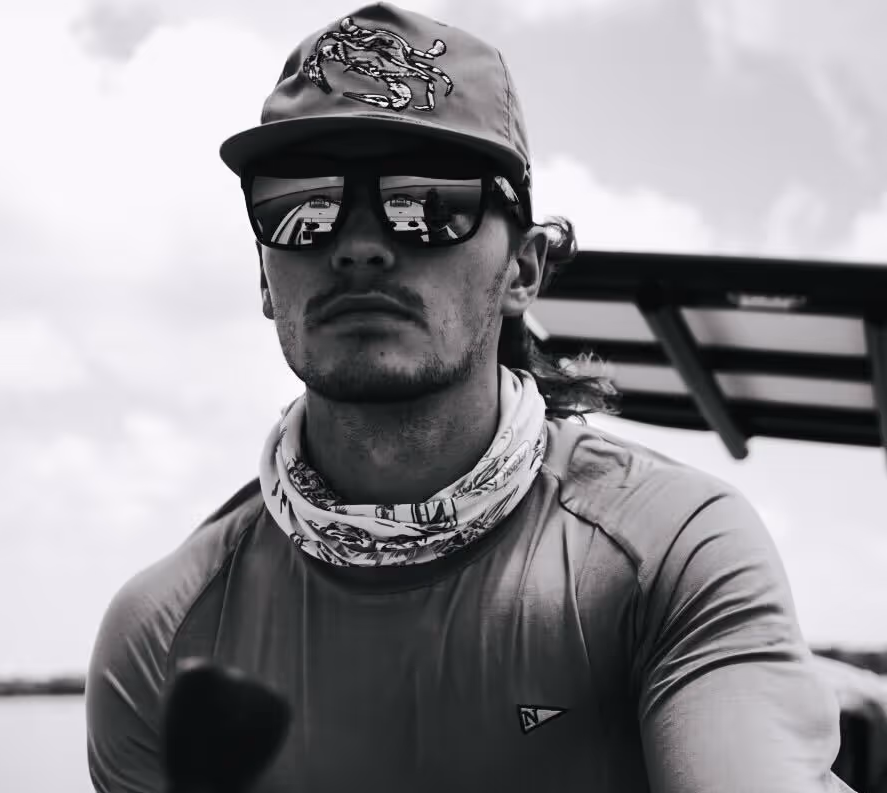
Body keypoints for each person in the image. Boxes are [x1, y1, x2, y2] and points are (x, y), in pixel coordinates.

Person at [85, 3, 854, 791]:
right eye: (301, 206)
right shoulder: (161, 634)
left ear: (524, 269)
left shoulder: (672, 552)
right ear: (263, 274)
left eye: (429, 205)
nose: (358, 244)